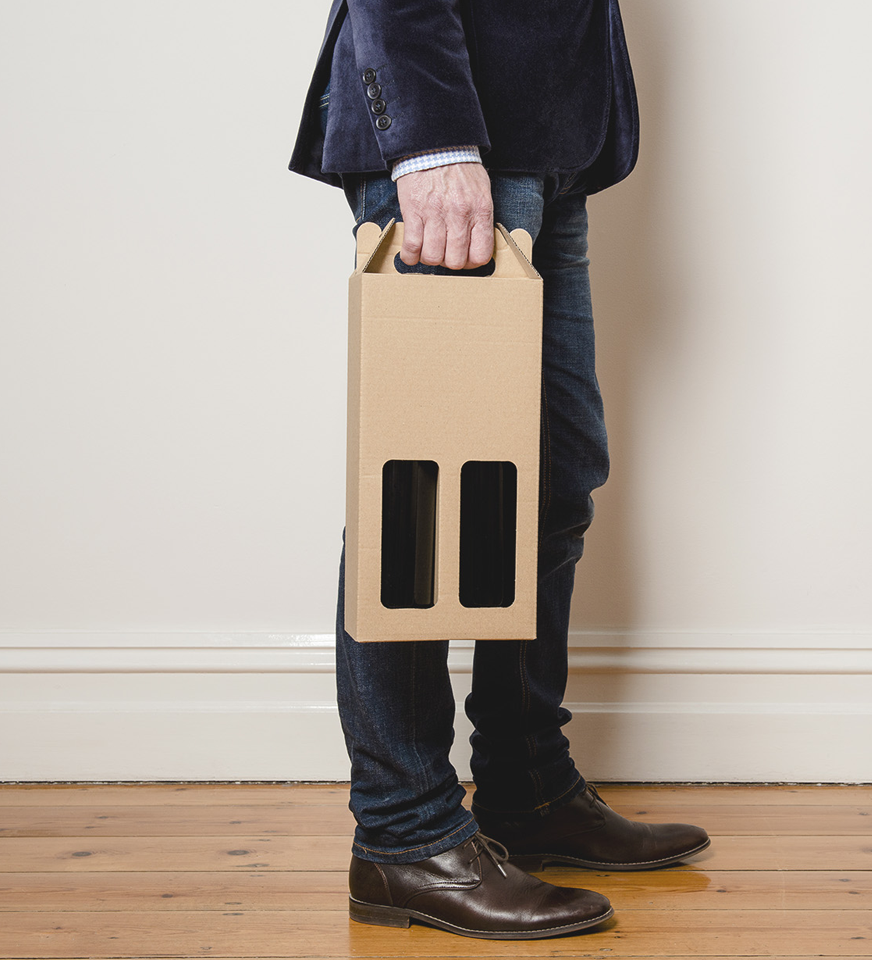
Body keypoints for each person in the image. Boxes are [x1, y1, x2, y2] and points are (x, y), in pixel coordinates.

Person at [290, 0, 710, 941]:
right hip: (455, 144)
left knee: (555, 479)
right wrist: (431, 144)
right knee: (421, 497)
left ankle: (527, 789)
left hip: (543, 136)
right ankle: (406, 837)